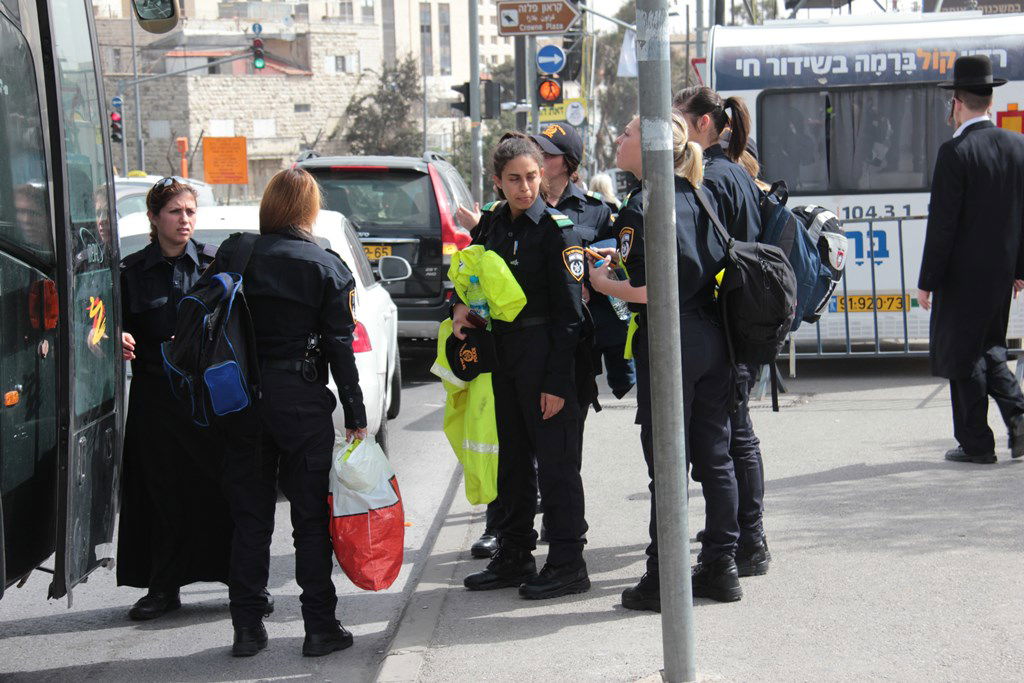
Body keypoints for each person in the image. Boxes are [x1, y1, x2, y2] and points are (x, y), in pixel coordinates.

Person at [213, 168, 368, 657]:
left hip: (240, 400)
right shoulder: (325, 264)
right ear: (309, 210)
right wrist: (356, 413)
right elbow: (341, 348)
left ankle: (245, 629)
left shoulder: (236, 253)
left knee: (250, 519)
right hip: (300, 400)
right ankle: (319, 627)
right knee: (309, 521)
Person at [589, 113, 741, 609]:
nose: (619, 137)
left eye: (627, 133)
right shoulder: (697, 193)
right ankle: (721, 566)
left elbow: (653, 289)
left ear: (650, 147)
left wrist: (602, 283)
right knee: (715, 458)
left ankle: (662, 578)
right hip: (712, 339)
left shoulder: (644, 203)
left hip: (671, 341)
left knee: (668, 466)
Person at [459, 132, 589, 600]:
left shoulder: (558, 231)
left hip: (545, 357)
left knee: (556, 467)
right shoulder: (492, 224)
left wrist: (556, 383)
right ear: (498, 182)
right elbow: (468, 273)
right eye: (514, 179)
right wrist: (458, 307)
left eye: (532, 177)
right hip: (503, 357)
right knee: (511, 464)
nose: (525, 187)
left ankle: (569, 563)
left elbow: (571, 317)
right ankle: (513, 554)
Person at [117, 177, 236, 621]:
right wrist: (119, 337)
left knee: (218, 489)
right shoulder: (131, 273)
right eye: (174, 212)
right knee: (160, 493)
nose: (184, 220)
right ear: (154, 217)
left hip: (205, 399)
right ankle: (162, 588)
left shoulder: (210, 266)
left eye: (190, 211)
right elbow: (106, 325)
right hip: (155, 399)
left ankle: (237, 582)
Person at [673, 85, 771, 576]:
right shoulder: (736, 171)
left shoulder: (711, 176)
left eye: (678, 120)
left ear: (703, 124)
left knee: (731, 439)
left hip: (723, 322)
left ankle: (743, 544)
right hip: (742, 319)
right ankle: (747, 541)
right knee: (738, 435)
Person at [917, 55, 1024, 464]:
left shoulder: (955, 152)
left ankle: (977, 443)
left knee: (963, 355)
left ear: (957, 102)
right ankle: (1018, 423)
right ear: (989, 100)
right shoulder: (1017, 146)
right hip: (999, 274)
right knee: (990, 349)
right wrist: (1018, 270)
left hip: (961, 277)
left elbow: (943, 226)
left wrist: (928, 280)